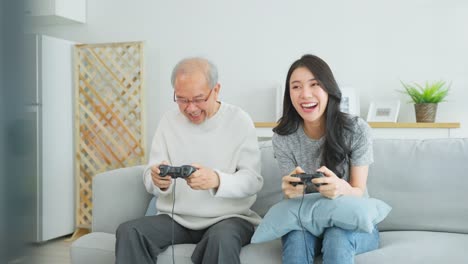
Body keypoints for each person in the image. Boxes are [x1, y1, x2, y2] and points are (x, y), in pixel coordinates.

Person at [115, 57, 263, 264]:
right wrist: (157, 180)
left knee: (222, 240)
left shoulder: (239, 120)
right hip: (176, 219)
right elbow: (150, 176)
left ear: (216, 89)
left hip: (229, 219)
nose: (190, 108)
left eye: (198, 99)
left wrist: (217, 180)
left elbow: (253, 181)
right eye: (182, 100)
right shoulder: (168, 121)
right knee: (129, 231)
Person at [272, 54, 379, 264]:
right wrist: (290, 192)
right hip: (308, 221)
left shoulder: (356, 130)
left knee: (337, 237)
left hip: (352, 220)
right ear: (289, 94)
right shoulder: (283, 137)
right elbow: (293, 199)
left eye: (315, 85)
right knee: (295, 240)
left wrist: (341, 188)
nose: (305, 94)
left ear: (328, 89)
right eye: (296, 87)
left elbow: (358, 190)